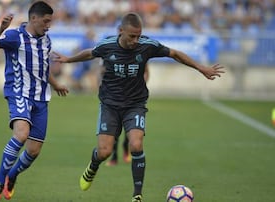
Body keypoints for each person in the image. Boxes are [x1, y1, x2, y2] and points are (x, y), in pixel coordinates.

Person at [53, 12, 224, 202]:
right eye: (132, 36)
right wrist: (68, 59)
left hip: (135, 104)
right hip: (110, 105)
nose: (136, 40)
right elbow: (90, 53)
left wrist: (201, 68)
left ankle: (137, 195)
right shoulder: (107, 45)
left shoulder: (147, 46)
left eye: (139, 35)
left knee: (136, 144)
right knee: (104, 152)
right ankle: (93, 166)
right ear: (121, 32)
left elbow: (175, 53)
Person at [0, 1, 69, 201]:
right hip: (19, 93)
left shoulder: (46, 40)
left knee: (34, 150)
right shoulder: (15, 36)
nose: (48, 25)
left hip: (41, 98)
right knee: (21, 134)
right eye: (46, 21)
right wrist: (1, 28)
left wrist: (55, 85)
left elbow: (42, 68)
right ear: (34, 18)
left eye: (51, 22)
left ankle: (12, 176)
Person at [106, 64, 149, 166]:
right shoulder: (111, 57)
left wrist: (140, 86)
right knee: (114, 133)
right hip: (115, 101)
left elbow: (146, 72)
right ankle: (114, 157)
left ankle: (126, 149)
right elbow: (103, 72)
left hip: (132, 102)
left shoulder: (140, 55)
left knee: (129, 132)